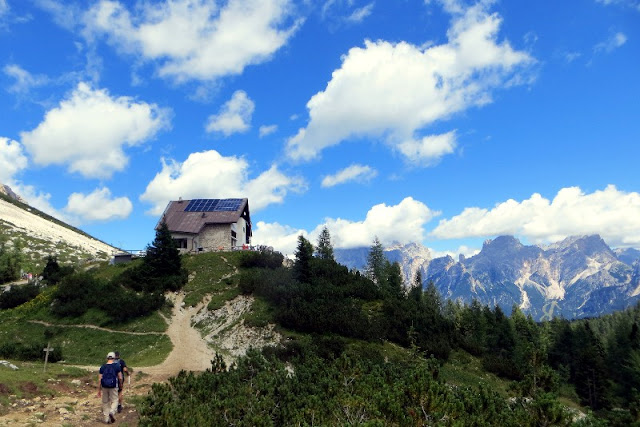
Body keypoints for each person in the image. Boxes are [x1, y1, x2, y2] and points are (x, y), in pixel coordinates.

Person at [97, 352, 123, 424]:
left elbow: (99, 379)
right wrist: (121, 384)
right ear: (114, 358)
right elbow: (120, 377)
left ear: (107, 358)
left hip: (104, 386)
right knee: (115, 400)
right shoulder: (117, 366)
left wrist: (99, 390)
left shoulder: (103, 367)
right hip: (113, 386)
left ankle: (106, 419)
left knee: (105, 402)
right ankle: (112, 411)